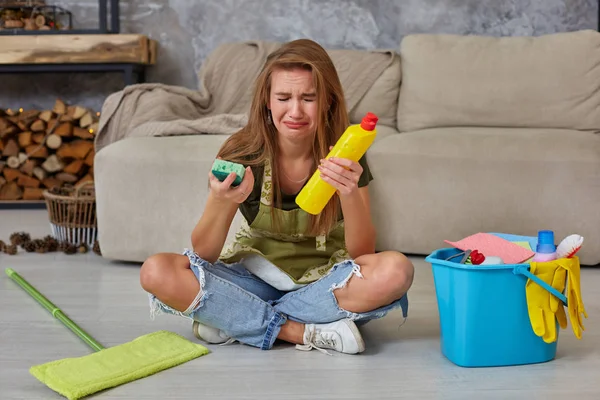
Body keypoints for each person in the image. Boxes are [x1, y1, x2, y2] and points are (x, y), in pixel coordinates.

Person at [140, 38, 414, 355]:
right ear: (267, 101)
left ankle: (236, 317)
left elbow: (363, 253)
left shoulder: (346, 150)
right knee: (156, 271)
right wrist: (221, 200)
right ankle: (300, 332)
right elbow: (205, 253)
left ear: (327, 100)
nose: (295, 111)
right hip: (255, 278)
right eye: (283, 97)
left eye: (308, 98)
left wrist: (349, 194)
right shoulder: (242, 151)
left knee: (397, 271)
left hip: (324, 285)